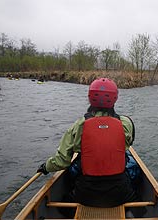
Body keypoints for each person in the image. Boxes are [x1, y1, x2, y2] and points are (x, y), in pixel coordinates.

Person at [37, 78, 139, 215]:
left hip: (85, 195)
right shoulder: (125, 123)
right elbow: (127, 144)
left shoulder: (79, 125)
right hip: (120, 194)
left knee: (64, 203)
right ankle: (131, 212)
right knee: (133, 170)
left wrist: (46, 167)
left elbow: (62, 161)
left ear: (90, 97)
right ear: (115, 98)